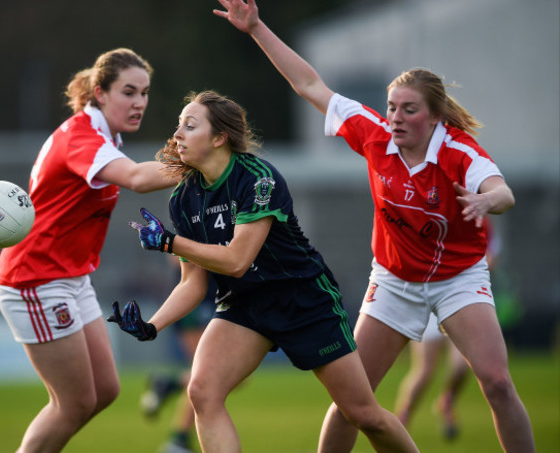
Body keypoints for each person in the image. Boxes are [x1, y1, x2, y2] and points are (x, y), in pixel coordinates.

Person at [212, 1, 536, 452]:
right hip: (394, 282)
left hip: (458, 279)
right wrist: (256, 29)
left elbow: (504, 192)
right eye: (392, 107)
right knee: (353, 400)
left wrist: (486, 200)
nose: (396, 118)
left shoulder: (458, 152)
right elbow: (309, 83)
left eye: (409, 110)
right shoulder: (375, 134)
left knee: (498, 384)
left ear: (435, 116)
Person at [109, 90, 419, 453]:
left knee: (363, 413)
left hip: (302, 299)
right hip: (244, 304)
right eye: (179, 126)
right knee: (202, 393)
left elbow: (238, 259)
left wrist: (169, 243)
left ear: (219, 137)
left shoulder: (257, 178)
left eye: (189, 126)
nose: (177, 134)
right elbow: (192, 284)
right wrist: (152, 326)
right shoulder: (183, 198)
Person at [0, 48, 176, 453]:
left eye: (145, 93)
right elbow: (137, 178)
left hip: (70, 276)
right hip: (34, 278)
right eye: (129, 92)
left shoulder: (104, 135)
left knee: (105, 390)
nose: (139, 102)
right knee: (73, 403)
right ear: (100, 92)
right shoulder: (81, 135)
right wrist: (201, 159)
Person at [394, 217, 501, 441]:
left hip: (459, 298)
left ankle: (447, 402)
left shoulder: (479, 219)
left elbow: (491, 256)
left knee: (462, 366)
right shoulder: (429, 210)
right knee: (423, 372)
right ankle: (401, 420)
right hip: (427, 298)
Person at [140, 257, 218, 453]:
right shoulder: (192, 226)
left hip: (216, 298)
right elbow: (175, 255)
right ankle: (179, 441)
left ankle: (168, 384)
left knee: (216, 374)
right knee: (208, 374)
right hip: (194, 303)